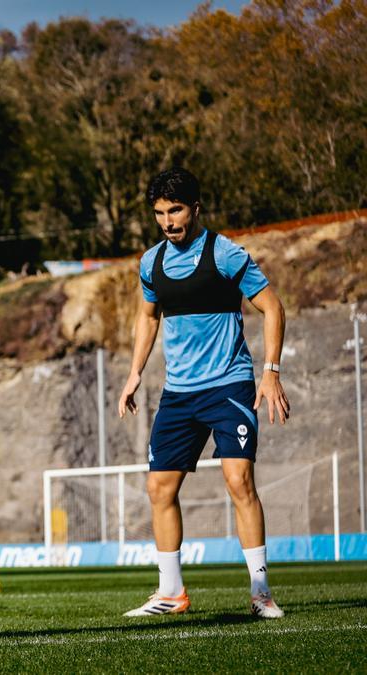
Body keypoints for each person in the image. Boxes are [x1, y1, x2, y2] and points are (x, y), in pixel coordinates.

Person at [117, 167, 289, 619]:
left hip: (229, 384)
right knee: (159, 488)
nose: (168, 221)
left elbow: (272, 307)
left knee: (238, 480)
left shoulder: (225, 254)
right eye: (159, 213)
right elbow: (148, 317)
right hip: (179, 394)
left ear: (195, 208)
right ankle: (171, 592)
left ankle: (260, 593)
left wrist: (270, 371)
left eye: (175, 210)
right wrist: (135, 372)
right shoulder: (150, 263)